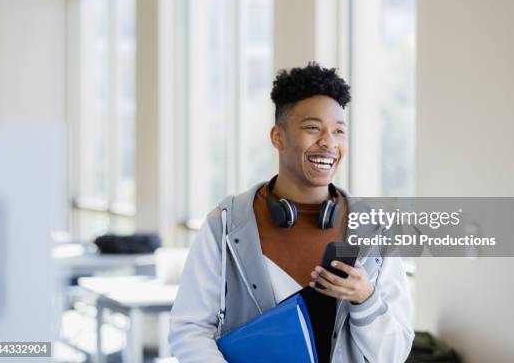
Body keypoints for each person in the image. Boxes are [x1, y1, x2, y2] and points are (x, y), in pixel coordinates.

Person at [168, 62, 414, 362]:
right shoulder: (227, 223)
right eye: (313, 128)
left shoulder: (374, 229)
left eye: (339, 131)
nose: (329, 142)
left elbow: (394, 355)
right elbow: (189, 329)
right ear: (277, 137)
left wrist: (365, 299)